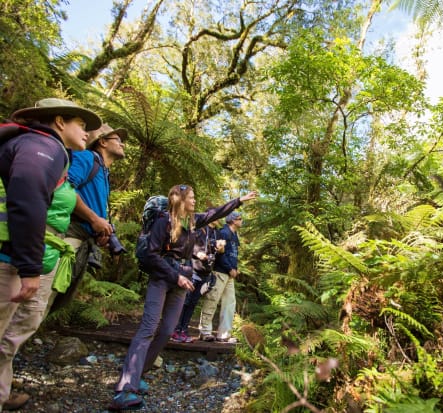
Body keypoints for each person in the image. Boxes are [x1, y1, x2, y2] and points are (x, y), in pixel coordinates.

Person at [110, 185, 257, 411]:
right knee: (148, 328)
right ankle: (124, 388)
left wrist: (239, 200)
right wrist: (175, 276)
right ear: (180, 200)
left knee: (168, 330)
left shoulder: (191, 222)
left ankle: (139, 374)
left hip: (181, 280)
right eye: (191, 198)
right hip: (162, 278)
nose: (195, 201)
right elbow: (151, 254)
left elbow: (215, 213)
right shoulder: (163, 222)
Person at [0, 98, 101, 411]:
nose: (88, 134)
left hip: (25, 255)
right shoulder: (42, 147)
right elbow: (27, 197)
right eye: (82, 126)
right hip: (10, 259)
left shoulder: (55, 152)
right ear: (59, 121)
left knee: (17, 328)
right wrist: (30, 267)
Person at [49, 123, 127, 312]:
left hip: (83, 240)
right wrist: (93, 219)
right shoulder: (86, 159)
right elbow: (64, 188)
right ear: (103, 142)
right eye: (118, 140)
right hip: (68, 235)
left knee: (57, 298)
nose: (123, 144)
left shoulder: (103, 171)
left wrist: (99, 228)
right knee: (47, 293)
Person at [171, 214, 226, 343]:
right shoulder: (200, 230)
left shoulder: (217, 233)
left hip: (205, 272)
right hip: (194, 270)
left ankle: (183, 330)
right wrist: (198, 253)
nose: (217, 218)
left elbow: (219, 252)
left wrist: (221, 248)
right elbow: (188, 245)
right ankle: (175, 329)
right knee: (185, 301)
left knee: (192, 303)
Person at [198, 211, 244, 343]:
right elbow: (220, 254)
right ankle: (205, 331)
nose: (241, 221)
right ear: (233, 221)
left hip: (230, 275)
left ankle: (224, 334)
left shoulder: (234, 234)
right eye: (240, 219)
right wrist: (230, 269)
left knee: (230, 303)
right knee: (212, 300)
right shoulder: (223, 232)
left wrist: (235, 268)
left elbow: (232, 253)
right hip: (220, 272)